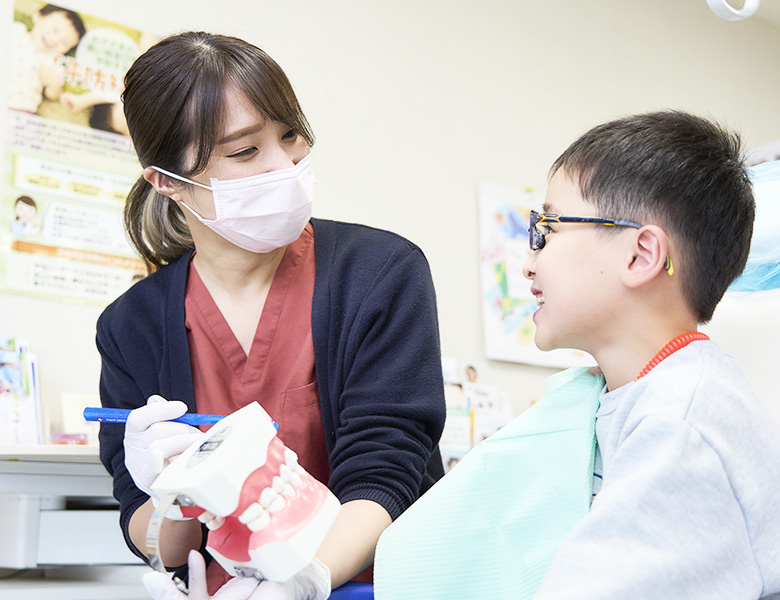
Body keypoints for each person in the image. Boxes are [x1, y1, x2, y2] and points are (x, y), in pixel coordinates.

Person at [95, 31, 446, 599]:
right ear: (166, 180)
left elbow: (386, 472)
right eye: (244, 150)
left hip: (371, 584)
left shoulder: (379, 273)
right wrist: (167, 495)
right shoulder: (130, 325)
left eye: (290, 136)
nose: (284, 165)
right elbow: (153, 535)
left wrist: (298, 586)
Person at [522, 111, 780, 598]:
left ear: (640, 255)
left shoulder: (683, 426)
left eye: (548, 228)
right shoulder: (627, 395)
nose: (528, 262)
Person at [8, 4, 86, 113]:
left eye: (64, 43)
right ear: (38, 16)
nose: (54, 40)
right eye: (55, 30)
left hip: (20, 108)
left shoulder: (53, 61)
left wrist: (52, 83)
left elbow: (53, 95)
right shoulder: (17, 31)